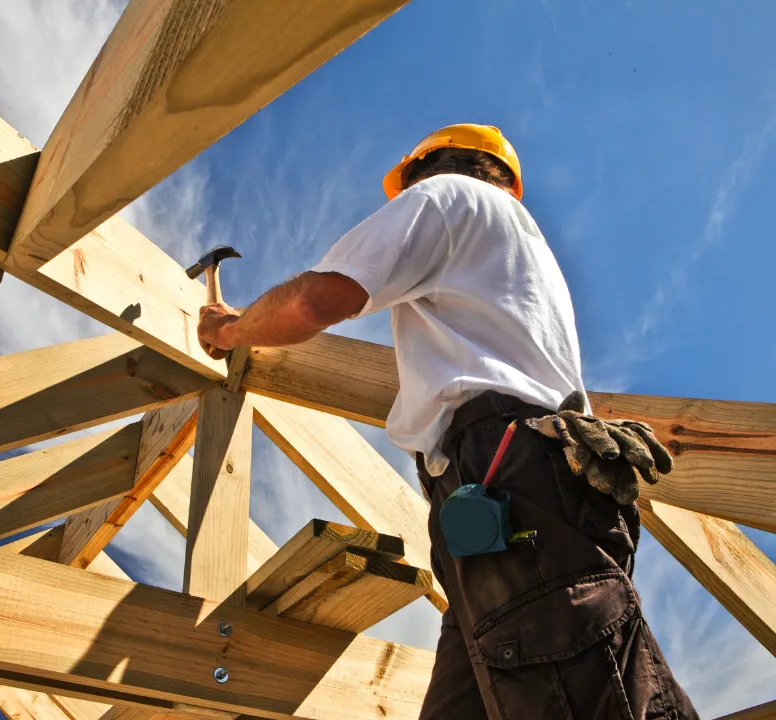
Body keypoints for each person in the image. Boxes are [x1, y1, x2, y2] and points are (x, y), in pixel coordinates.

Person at [196, 124, 697, 719]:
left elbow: (312, 302)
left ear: (422, 171)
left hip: (509, 479)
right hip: (507, 497)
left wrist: (229, 330)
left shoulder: (446, 198)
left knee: (572, 684)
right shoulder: (515, 251)